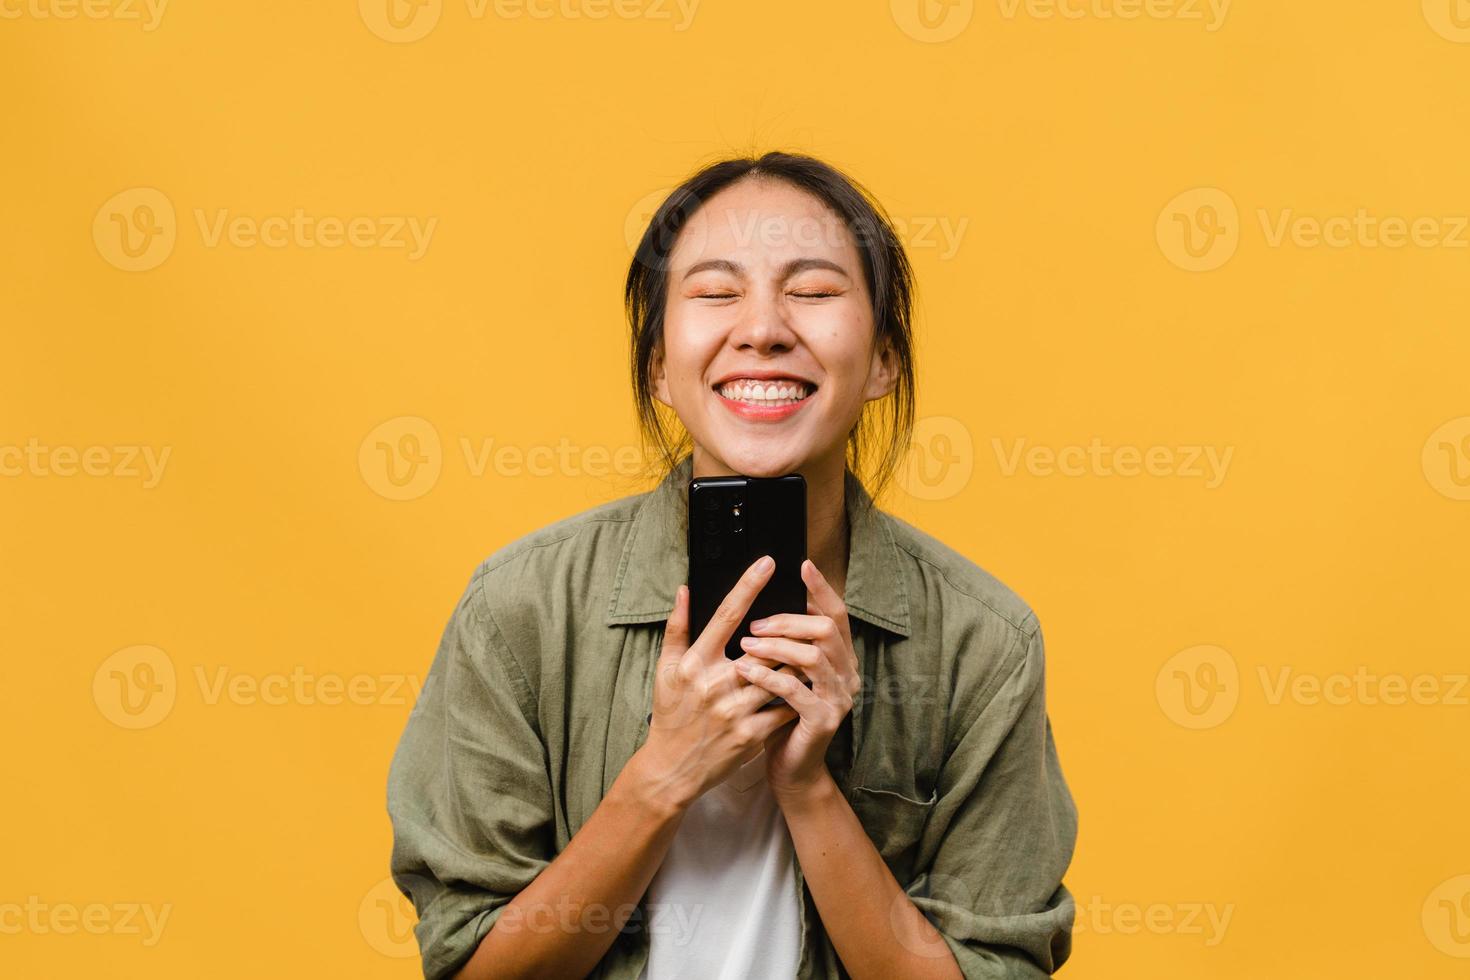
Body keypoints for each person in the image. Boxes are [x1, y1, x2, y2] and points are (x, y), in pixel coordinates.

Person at [386, 151, 1078, 980]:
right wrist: (663, 774)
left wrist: (810, 787)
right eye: (716, 293)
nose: (762, 328)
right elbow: (472, 970)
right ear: (660, 370)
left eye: (814, 292)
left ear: (885, 361)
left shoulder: (983, 646)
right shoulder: (521, 609)